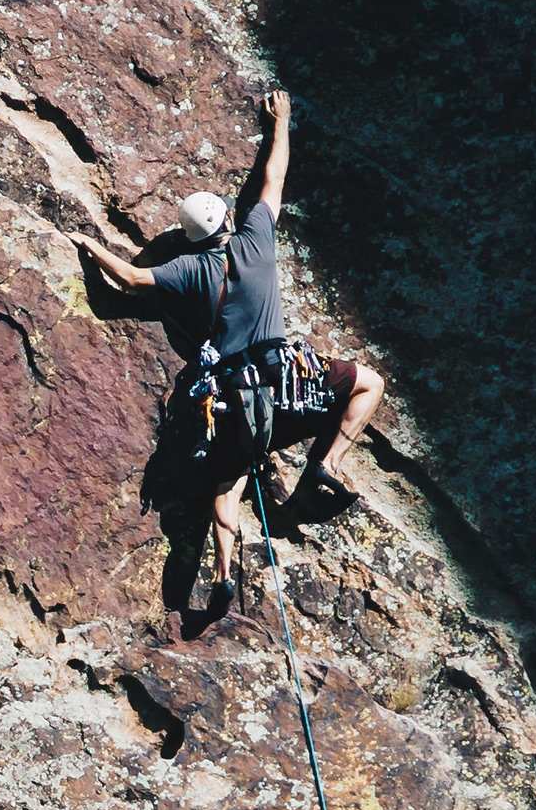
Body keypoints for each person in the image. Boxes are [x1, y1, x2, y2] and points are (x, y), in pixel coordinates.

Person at [86, 92, 384, 555]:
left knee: (229, 480)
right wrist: (280, 122)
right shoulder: (256, 236)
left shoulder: (186, 269)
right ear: (228, 219)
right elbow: (274, 176)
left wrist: (89, 245)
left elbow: (127, 278)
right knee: (370, 384)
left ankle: (225, 570)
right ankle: (328, 463)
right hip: (290, 383)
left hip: (236, 395)